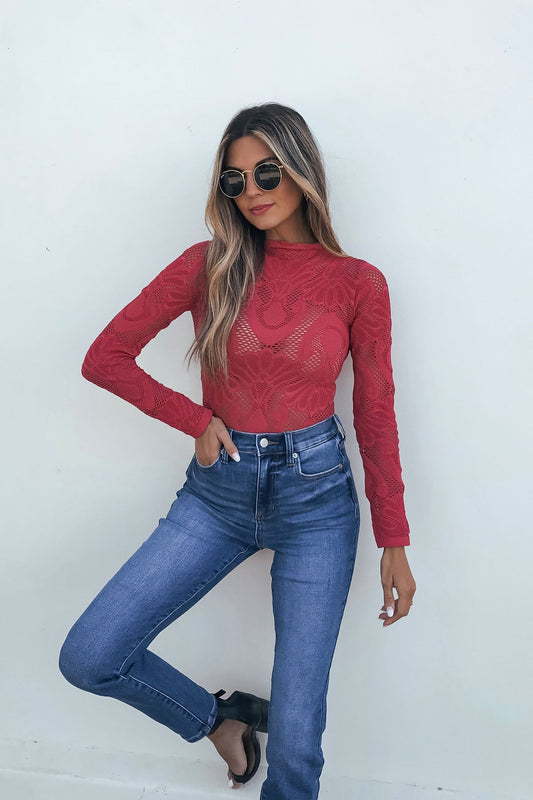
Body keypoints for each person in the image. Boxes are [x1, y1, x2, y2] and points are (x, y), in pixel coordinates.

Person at [58, 102, 416, 800]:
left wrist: (393, 538)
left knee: (298, 733)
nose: (251, 190)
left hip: (317, 501)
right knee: (91, 655)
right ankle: (217, 720)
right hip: (217, 493)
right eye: (234, 180)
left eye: (266, 172)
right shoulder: (208, 265)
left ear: (301, 171)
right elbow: (105, 357)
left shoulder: (357, 283)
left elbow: (374, 413)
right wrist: (192, 418)